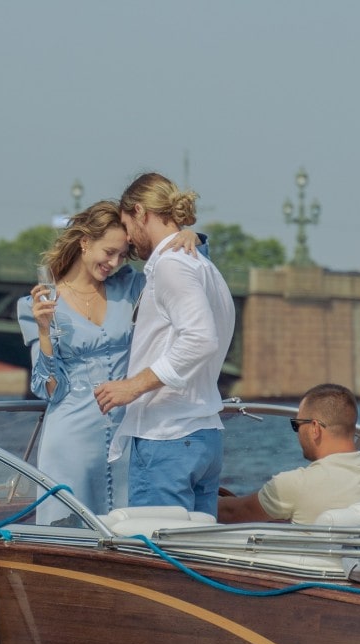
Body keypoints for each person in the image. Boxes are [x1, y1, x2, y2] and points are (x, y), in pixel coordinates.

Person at [17, 201, 201, 525]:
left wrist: (191, 238)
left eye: (121, 255)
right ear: (85, 242)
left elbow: (187, 287)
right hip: (71, 442)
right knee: (70, 540)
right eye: (109, 252)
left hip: (125, 440)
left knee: (130, 530)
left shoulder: (130, 288)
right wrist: (44, 332)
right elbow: (49, 390)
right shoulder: (40, 305)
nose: (114, 263)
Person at [93, 173, 235, 519]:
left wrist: (133, 387)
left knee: (158, 561)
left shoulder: (171, 266)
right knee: (196, 558)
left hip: (167, 437)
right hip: (204, 437)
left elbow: (200, 340)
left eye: (127, 224)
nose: (127, 238)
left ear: (140, 211)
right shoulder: (204, 266)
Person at [218, 383, 360, 523]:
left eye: (296, 425)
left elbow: (231, 513)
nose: (297, 433)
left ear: (314, 428)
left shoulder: (294, 485)